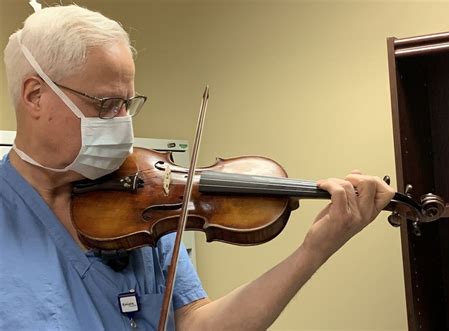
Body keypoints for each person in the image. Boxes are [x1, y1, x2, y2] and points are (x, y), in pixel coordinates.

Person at [0, 4, 396, 331]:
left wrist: (314, 250)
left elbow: (195, 323)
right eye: (106, 105)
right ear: (35, 96)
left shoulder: (140, 199)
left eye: (128, 103)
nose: (123, 121)